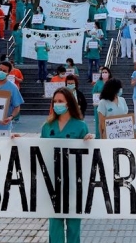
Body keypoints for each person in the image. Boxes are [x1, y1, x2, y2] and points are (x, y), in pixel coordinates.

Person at [41, 87, 93, 243]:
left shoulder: (80, 126)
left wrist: (90, 142)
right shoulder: (47, 126)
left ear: (69, 103)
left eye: (60, 101)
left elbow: (89, 156)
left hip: (74, 183)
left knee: (73, 225)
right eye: (55, 101)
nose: (57, 104)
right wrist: (18, 142)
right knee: (55, 224)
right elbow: (37, 150)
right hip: (53, 182)